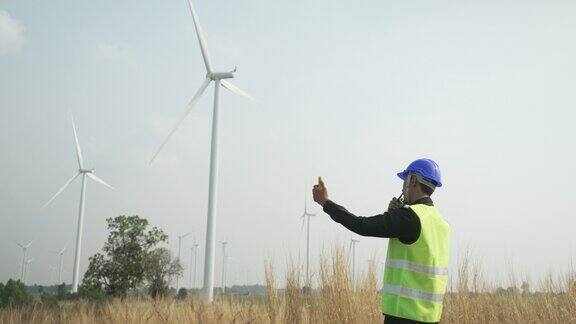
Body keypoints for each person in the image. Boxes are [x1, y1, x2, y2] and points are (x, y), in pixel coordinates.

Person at [312, 158, 451, 324]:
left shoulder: (409, 217)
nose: (402, 187)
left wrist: (325, 202)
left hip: (403, 315)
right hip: (430, 318)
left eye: (404, 180)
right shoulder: (441, 224)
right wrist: (396, 216)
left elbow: (361, 225)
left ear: (413, 180)